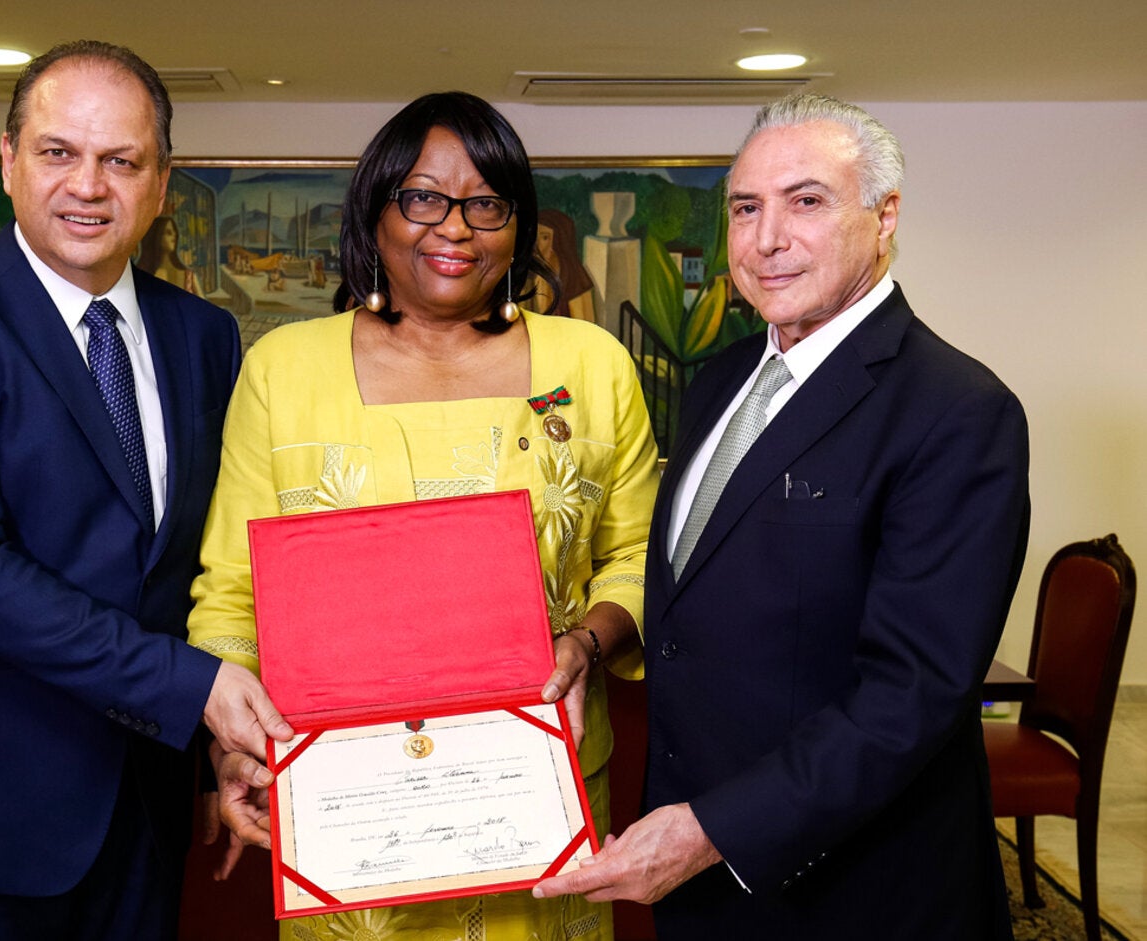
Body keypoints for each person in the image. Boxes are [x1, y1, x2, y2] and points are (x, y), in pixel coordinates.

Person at [533, 94, 1031, 939]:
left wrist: (714, 830)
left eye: (806, 201)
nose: (767, 239)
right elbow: (696, 601)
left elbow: (909, 696)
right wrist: (592, 644)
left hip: (855, 890)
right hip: (698, 878)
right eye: (745, 208)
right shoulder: (721, 378)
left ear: (885, 217)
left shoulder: (957, 410)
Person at [188, 91, 660, 941]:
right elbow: (231, 593)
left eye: (486, 203)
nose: (455, 226)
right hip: (347, 811)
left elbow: (637, 559)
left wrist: (587, 641)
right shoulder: (282, 369)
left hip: (536, 803)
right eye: (422, 198)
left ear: (518, 227)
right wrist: (231, 745)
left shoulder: (592, 364)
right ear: (375, 214)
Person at [0, 40, 291, 940]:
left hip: (147, 805)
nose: (87, 185)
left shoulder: (204, 335)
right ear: (9, 160)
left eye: (120, 160)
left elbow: (195, 563)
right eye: (58, 152)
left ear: (160, 183)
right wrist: (191, 685)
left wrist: (213, 752)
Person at [531, 207, 597, 321]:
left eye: (545, 237)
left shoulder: (576, 280)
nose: (538, 244)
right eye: (535, 237)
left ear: (559, 241)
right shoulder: (530, 273)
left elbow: (584, 324)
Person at [137, 215, 200, 294]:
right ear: (156, 236)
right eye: (168, 232)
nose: (174, 235)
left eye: (174, 232)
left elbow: (204, 305)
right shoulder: (140, 278)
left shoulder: (188, 276)